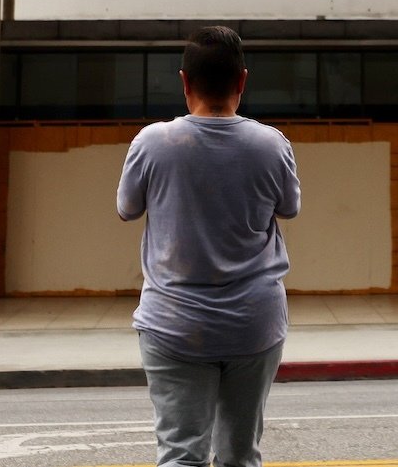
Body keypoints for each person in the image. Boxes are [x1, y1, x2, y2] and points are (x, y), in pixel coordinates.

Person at [116, 25, 302, 467]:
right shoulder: (271, 145)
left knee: (181, 455)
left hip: (174, 325)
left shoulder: (153, 142)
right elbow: (289, 209)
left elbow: (127, 208)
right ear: (242, 80)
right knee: (240, 455)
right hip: (253, 324)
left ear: (184, 81)